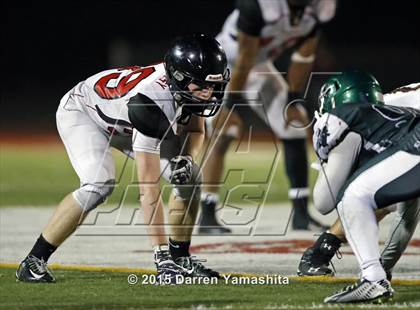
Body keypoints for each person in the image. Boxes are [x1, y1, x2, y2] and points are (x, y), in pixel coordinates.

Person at [15, 34, 230, 284]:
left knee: (190, 177)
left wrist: (187, 159)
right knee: (99, 183)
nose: (209, 93)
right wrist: (160, 257)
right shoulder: (151, 102)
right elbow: (148, 188)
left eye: (213, 85)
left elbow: (195, 129)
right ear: (178, 78)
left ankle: (181, 257)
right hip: (86, 114)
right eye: (201, 86)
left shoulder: (185, 86)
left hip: (127, 123)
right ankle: (33, 261)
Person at [199, 0, 337, 234]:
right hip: (221, 64)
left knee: (293, 123)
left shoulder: (318, 9)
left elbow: (304, 56)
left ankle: (301, 215)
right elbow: (243, 59)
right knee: (225, 131)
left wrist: (293, 98)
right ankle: (207, 214)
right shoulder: (258, 6)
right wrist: (228, 106)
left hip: (256, 64)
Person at [309, 71, 420, 303]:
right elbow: (406, 204)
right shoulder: (392, 110)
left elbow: (323, 200)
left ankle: (372, 278)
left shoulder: (348, 115)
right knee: (373, 191)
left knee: (355, 194)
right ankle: (375, 276)